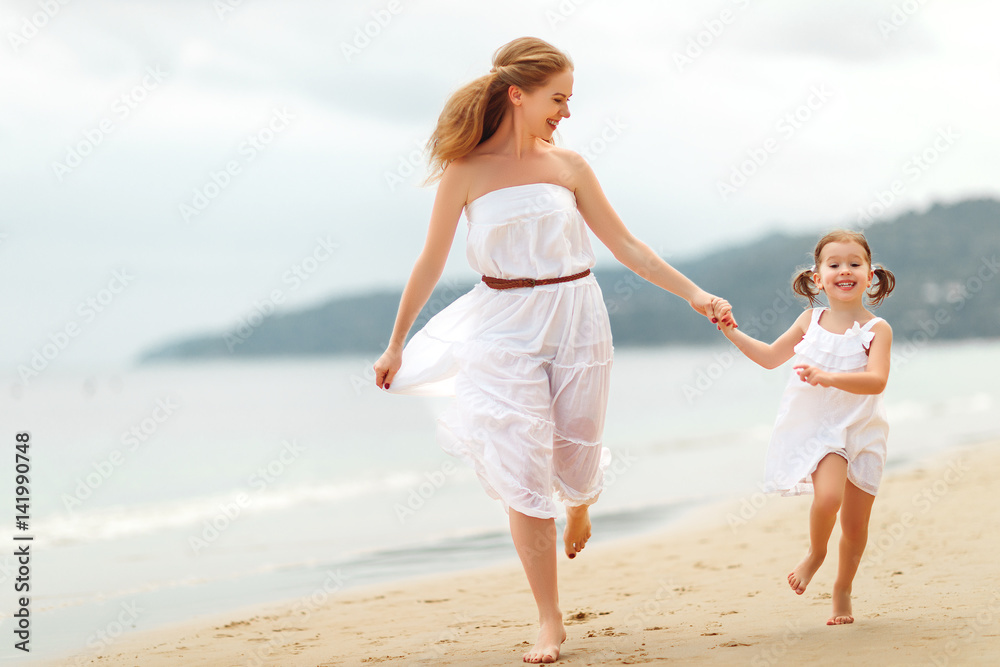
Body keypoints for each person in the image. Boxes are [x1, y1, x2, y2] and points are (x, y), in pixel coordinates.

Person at [373, 36, 730, 663]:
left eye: (569, 99)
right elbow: (429, 262)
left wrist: (695, 295)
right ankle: (549, 618)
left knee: (576, 447)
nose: (565, 111)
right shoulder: (465, 172)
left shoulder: (569, 167)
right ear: (518, 93)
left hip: (576, 316)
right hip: (502, 323)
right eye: (557, 98)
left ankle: (582, 503)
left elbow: (628, 247)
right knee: (520, 464)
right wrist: (396, 342)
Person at [715, 229, 896, 626]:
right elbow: (768, 357)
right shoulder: (809, 320)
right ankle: (816, 552)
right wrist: (730, 330)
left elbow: (877, 381)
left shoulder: (876, 329)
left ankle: (842, 589)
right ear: (817, 277)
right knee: (828, 498)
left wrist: (828, 377)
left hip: (863, 430)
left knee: (855, 525)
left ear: (870, 274)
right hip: (822, 431)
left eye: (854, 263)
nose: (844, 270)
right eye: (834, 264)